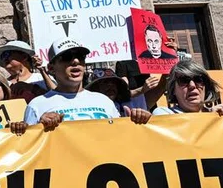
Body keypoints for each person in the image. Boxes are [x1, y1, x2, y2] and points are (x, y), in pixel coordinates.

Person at [23, 39, 151, 130]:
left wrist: (138, 122)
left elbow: (120, 138)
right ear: (51, 68)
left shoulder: (103, 101)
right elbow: (28, 149)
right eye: (67, 57)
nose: (76, 61)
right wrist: (39, 127)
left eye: (81, 56)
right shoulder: (37, 105)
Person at [152, 61, 223, 117]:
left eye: (198, 79)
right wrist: (209, 119)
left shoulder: (219, 114)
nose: (192, 85)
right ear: (173, 89)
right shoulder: (163, 114)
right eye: (184, 80)